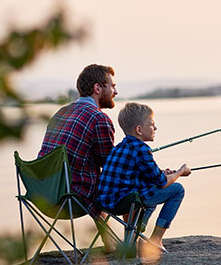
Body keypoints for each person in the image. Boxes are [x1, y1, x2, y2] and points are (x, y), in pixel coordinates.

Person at [38, 64, 118, 248]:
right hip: (70, 199)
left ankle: (110, 242)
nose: (116, 91)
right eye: (112, 86)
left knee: (92, 179)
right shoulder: (99, 118)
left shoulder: (61, 112)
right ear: (97, 88)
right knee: (124, 180)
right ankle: (131, 244)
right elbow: (109, 166)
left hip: (43, 194)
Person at [97, 102, 191, 250]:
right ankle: (156, 239)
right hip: (125, 202)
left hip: (106, 202)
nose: (155, 128)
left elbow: (144, 174)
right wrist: (180, 172)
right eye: (152, 124)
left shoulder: (119, 148)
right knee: (177, 190)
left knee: (149, 188)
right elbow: (161, 182)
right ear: (139, 129)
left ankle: (134, 237)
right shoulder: (142, 149)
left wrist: (162, 173)